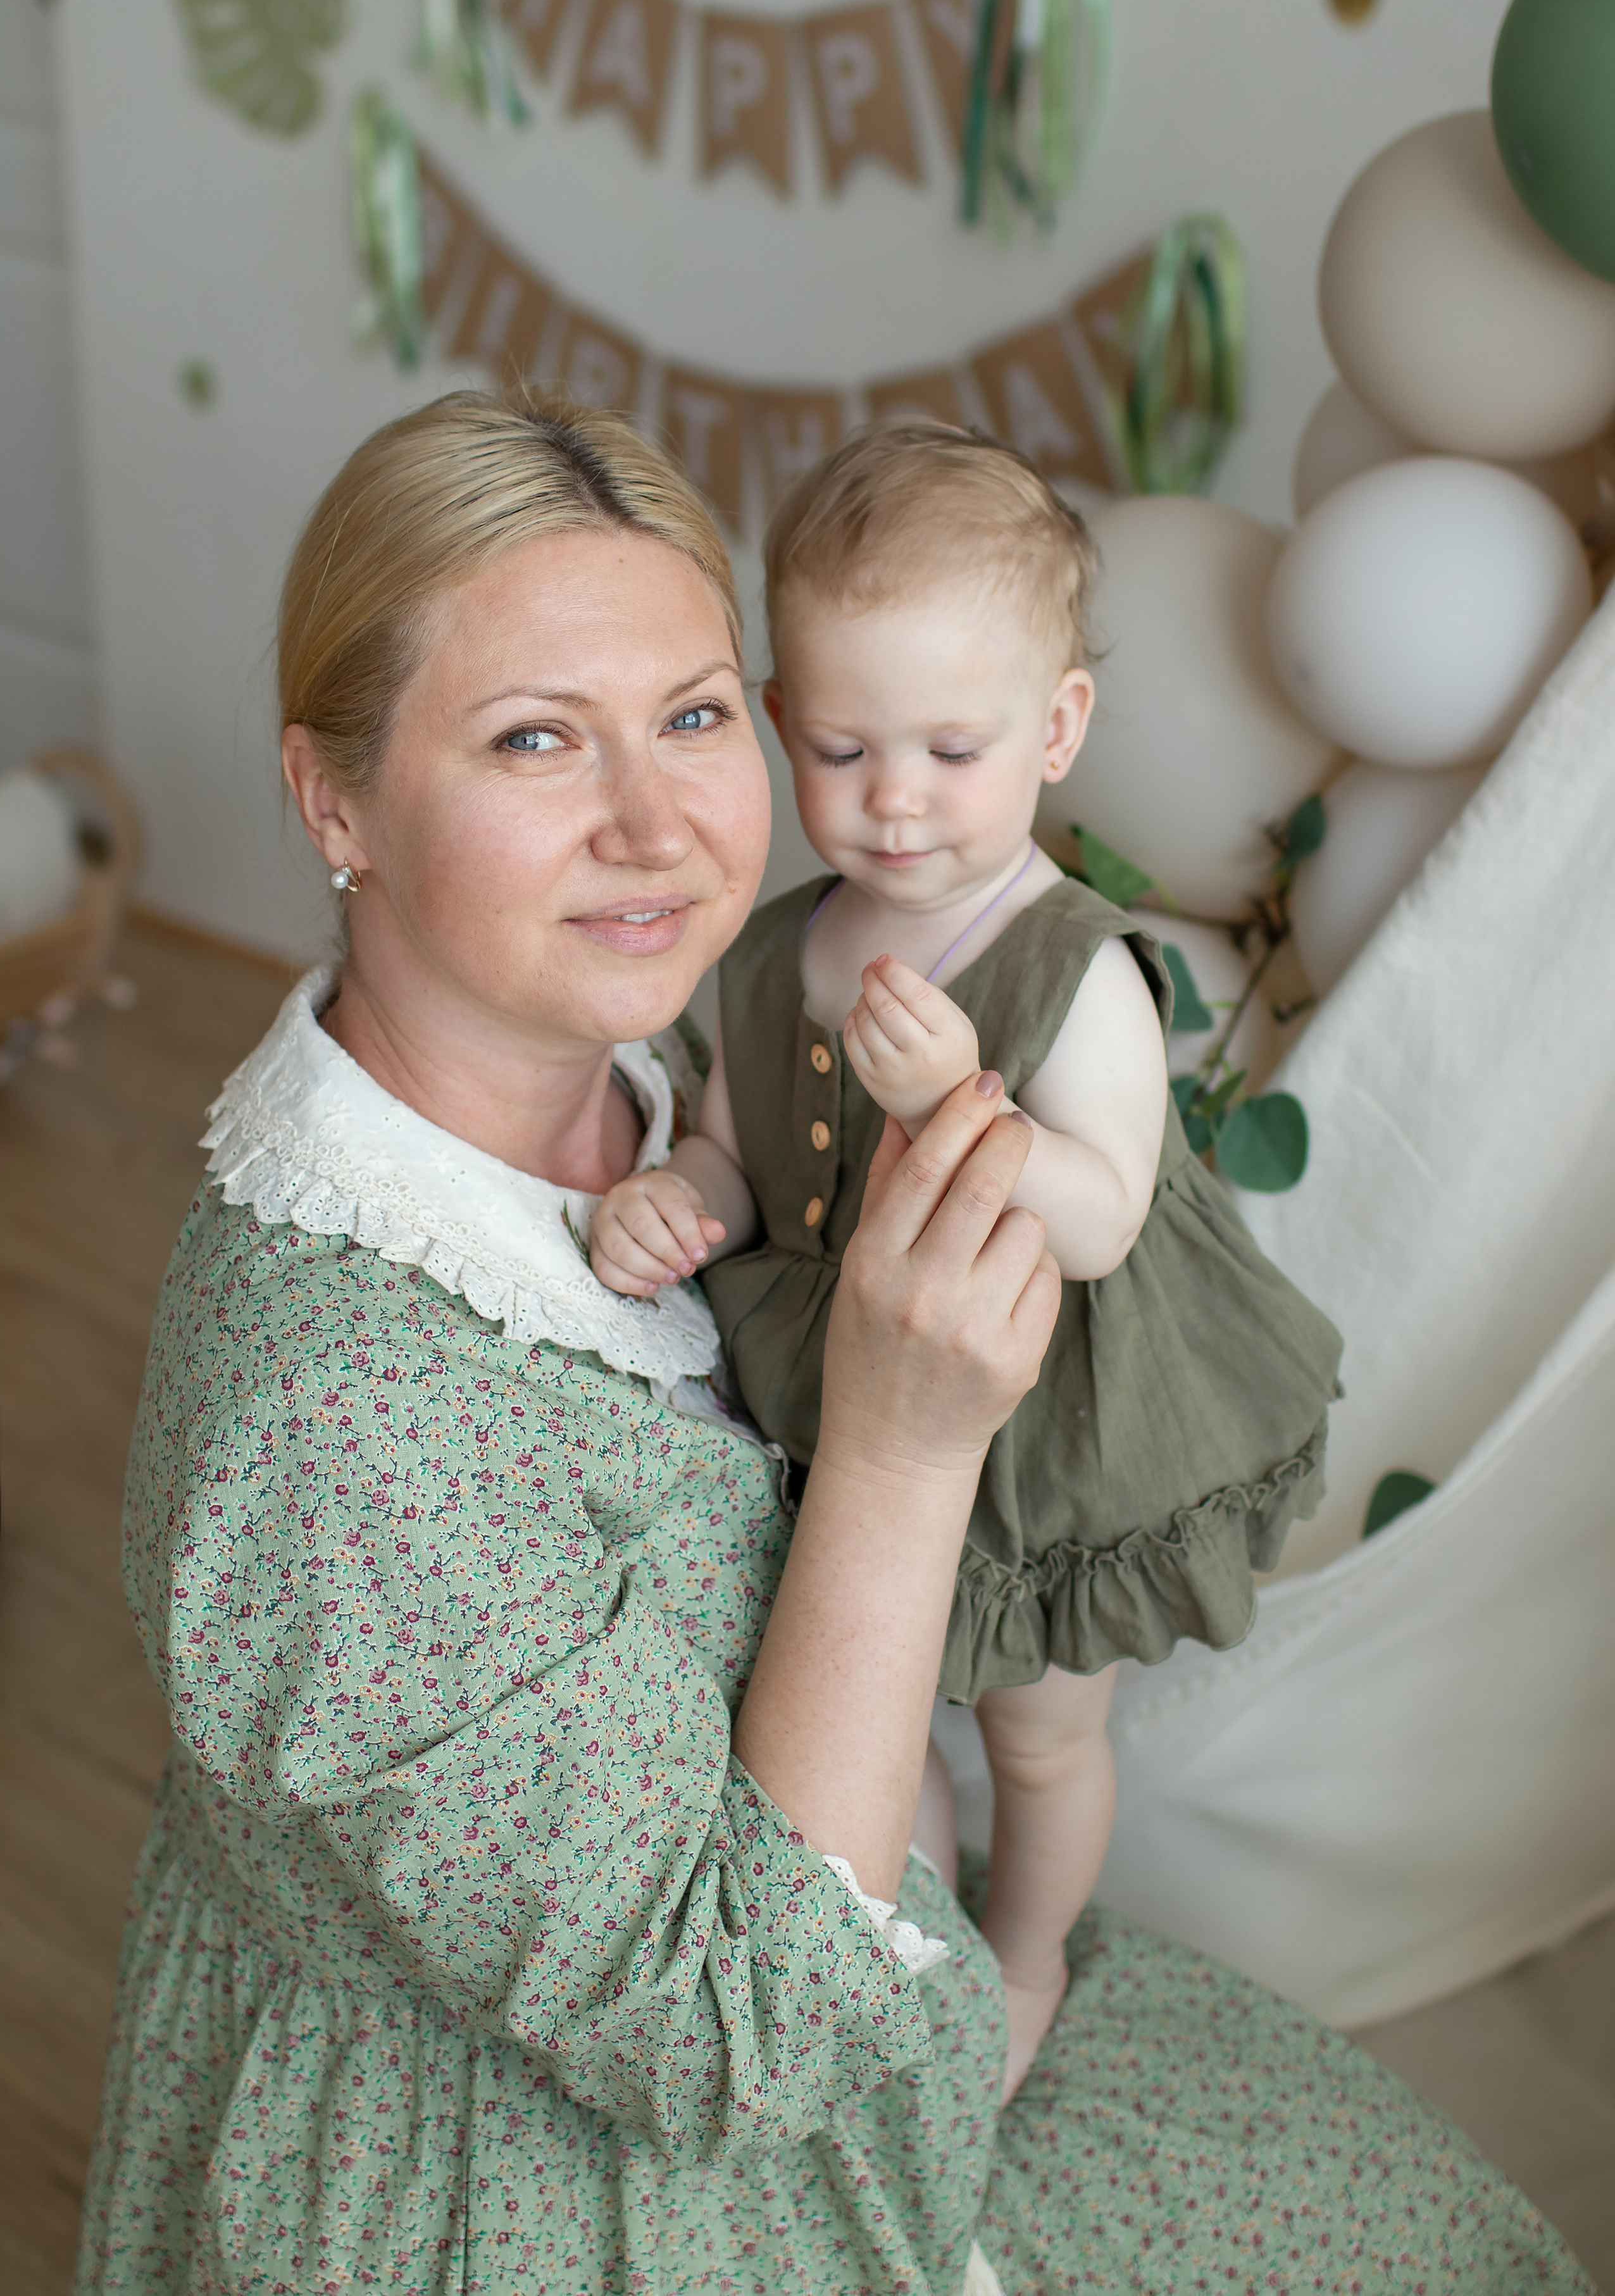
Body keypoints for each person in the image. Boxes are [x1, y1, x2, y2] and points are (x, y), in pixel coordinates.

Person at [78, 388, 1590, 2296]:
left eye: (695, 717)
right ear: (334, 799)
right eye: (536, 737)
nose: (657, 823)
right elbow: (733, 2041)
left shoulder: (648, 1043)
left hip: (893, 1932)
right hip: (576, 2166)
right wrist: (897, 1448)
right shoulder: (332, 1426)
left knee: (1445, 2230)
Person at [588, 420, 1344, 2100]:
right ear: (783, 726)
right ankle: (892, 1930)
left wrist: (960, 1103)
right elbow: (736, 1142)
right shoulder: (781, 945)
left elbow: (1101, 1215)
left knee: (1039, 1729)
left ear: (1058, 729)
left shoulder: (1072, 967)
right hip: (839, 1386)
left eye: (952, 747)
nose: (898, 800)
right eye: (846, 750)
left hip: (1045, 1421)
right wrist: (686, 1197)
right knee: (854, 1687)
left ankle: (1028, 1956)